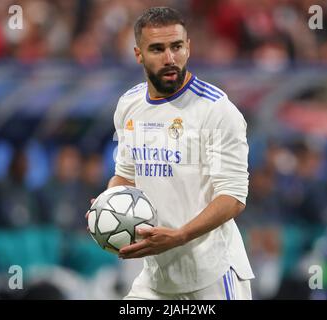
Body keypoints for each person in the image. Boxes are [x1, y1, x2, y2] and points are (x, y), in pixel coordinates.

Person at [87, 7, 254, 300]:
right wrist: (108, 204)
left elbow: (233, 198)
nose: (169, 58)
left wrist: (180, 235)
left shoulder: (217, 110)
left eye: (176, 46)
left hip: (211, 275)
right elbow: (125, 176)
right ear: (138, 54)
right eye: (157, 49)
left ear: (188, 47)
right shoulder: (129, 105)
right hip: (156, 279)